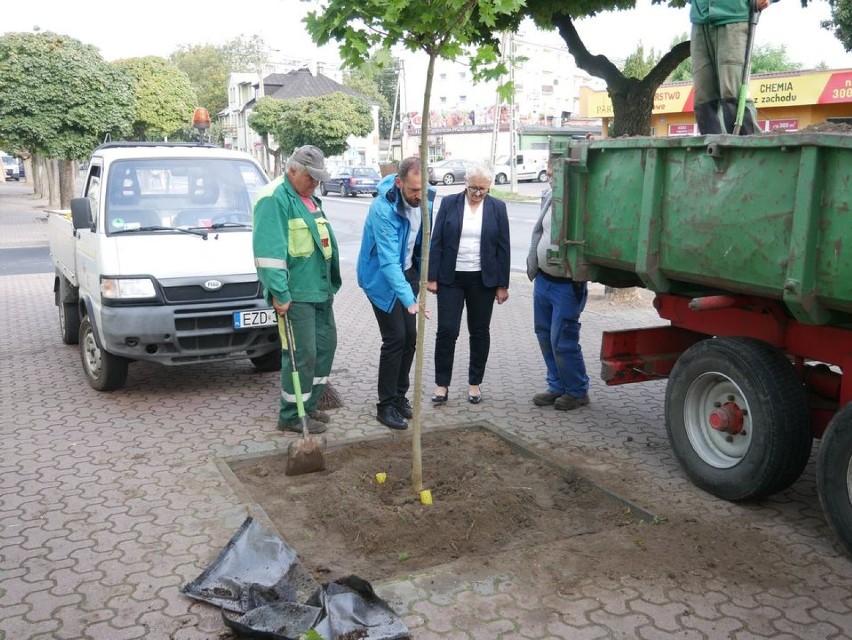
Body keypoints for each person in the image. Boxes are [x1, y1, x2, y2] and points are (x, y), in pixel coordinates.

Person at [253, 145, 341, 434]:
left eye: (318, 178)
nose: (315, 183)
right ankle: (292, 414)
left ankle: (310, 404)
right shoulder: (274, 198)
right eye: (310, 177)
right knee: (301, 354)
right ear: (292, 170)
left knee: (324, 349)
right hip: (296, 294)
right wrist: (280, 292)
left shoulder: (309, 198)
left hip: (320, 290)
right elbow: (269, 251)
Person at [357, 157, 435, 430]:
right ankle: (385, 404)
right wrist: (409, 299)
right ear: (399, 183)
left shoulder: (427, 199)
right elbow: (388, 262)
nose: (419, 196)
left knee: (410, 338)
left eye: (422, 190)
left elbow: (425, 241)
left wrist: (425, 278)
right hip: (381, 279)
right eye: (413, 190)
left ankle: (400, 396)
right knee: (395, 338)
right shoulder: (383, 209)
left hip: (408, 273)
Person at [427, 160, 510, 404]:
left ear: (489, 187)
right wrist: (432, 277)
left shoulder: (497, 208)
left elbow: (503, 248)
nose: (477, 193)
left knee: (479, 332)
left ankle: (475, 383)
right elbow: (437, 241)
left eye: (482, 189)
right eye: (473, 188)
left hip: (482, 281)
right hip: (451, 278)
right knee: (447, 331)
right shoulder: (449, 203)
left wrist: (502, 284)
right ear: (466, 183)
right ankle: (442, 385)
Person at [526, 159, 590, 411]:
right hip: (543, 279)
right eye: (549, 175)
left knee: (562, 339)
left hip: (566, 285)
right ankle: (557, 386)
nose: (550, 179)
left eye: (555, 175)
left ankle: (577, 391)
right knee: (543, 335)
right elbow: (540, 233)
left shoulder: (579, 199)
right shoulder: (550, 196)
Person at [690, 0, 773, 134]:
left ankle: (749, 150)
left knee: (732, 93)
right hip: (700, 19)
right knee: (703, 98)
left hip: (734, 15)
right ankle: (712, 147)